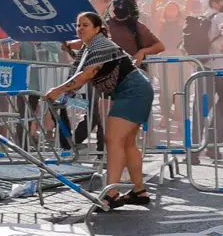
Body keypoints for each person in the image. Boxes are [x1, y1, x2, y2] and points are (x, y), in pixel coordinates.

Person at [46, 12, 154, 207]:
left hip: (134, 91)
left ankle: (111, 193)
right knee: (128, 143)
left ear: (97, 29)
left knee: (113, 140)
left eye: (85, 25)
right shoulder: (91, 47)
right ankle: (139, 190)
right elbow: (81, 72)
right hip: (135, 90)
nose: (80, 29)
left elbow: (86, 75)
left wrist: (58, 90)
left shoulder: (100, 45)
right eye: (78, 25)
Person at [185, 0, 223, 163]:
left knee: (200, 109)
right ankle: (213, 146)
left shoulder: (201, 19)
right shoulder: (221, 16)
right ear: (215, 3)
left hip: (204, 69)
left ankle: (193, 151)